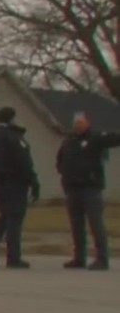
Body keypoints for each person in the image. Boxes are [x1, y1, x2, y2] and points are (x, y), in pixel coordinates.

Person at [0, 106, 40, 269]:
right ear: (12, 118)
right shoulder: (13, 137)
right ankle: (13, 257)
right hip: (15, 183)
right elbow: (24, 163)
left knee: (6, 217)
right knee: (15, 219)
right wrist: (33, 182)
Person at [56, 111, 120, 271]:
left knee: (96, 224)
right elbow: (60, 161)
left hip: (91, 189)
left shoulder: (96, 138)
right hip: (72, 189)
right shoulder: (69, 141)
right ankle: (79, 257)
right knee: (76, 225)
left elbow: (114, 139)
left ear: (88, 123)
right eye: (76, 123)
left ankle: (102, 258)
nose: (78, 125)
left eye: (81, 122)